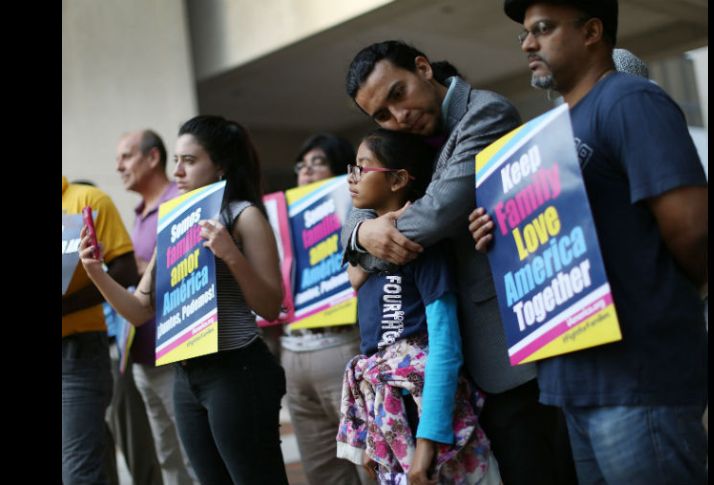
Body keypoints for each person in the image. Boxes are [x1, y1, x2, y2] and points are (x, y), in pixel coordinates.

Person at [468, 1, 708, 482]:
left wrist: (664, 303)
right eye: (524, 34)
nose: (528, 44)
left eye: (543, 29)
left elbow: (693, 231)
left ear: (592, 31)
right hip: (575, 384)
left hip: (637, 379)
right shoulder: (546, 138)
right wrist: (501, 231)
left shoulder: (629, 99)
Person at [340, 40, 577, 483]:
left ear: (423, 68)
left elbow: (436, 215)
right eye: (382, 115)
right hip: (452, 367)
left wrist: (363, 247)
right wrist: (359, 233)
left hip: (509, 343)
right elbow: (360, 205)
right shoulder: (403, 137)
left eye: (398, 93)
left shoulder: (485, 114)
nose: (399, 116)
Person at [79, 115, 289, 484]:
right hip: (186, 377)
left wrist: (230, 254)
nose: (177, 171)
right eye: (176, 160)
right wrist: (96, 271)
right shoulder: (175, 222)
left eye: (189, 161)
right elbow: (139, 310)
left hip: (237, 370)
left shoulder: (244, 216)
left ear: (220, 166)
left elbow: (270, 306)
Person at [337, 129, 498, 485]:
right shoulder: (366, 254)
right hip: (389, 418)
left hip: (429, 417)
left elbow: (445, 347)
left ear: (398, 180)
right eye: (352, 167)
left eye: (363, 167)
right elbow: (355, 282)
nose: (353, 177)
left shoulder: (424, 248)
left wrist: (427, 447)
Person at [273, 133, 368, 485]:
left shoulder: (360, 214)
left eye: (318, 163)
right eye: (301, 165)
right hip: (293, 352)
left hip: (343, 345)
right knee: (323, 472)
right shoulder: (282, 222)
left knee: (372, 462)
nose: (307, 171)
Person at [115, 129, 198, 484]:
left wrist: (142, 268)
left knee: (194, 456)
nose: (119, 166)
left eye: (126, 156)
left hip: (175, 355)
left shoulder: (179, 199)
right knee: (168, 457)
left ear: (152, 157)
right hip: (142, 356)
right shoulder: (140, 212)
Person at [62, 176, 138, 484]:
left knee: (77, 474)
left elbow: (126, 270)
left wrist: (65, 307)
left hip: (77, 355)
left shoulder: (89, 201)